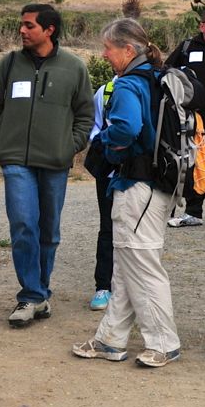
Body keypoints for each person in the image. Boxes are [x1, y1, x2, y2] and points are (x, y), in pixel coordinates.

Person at [71, 19, 183, 368]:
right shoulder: (156, 77)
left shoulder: (127, 85)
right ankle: (110, 340)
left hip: (136, 186)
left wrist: (103, 143)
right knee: (127, 265)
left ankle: (163, 342)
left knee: (141, 263)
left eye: (109, 47)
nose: (104, 54)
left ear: (128, 50)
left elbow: (125, 129)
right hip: (156, 184)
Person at [0, 4, 94, 329]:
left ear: (49, 30)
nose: (22, 31)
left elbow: (86, 114)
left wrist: (69, 147)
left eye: (29, 25)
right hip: (15, 160)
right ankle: (30, 295)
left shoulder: (74, 67)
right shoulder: (10, 64)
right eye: (21, 25)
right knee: (23, 224)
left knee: (49, 231)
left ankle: (40, 293)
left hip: (55, 162)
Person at [164, 6, 205, 227]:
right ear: (202, 26)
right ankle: (193, 211)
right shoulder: (187, 47)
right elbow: (167, 72)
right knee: (191, 163)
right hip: (191, 119)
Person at [83, 76, 116, 310]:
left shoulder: (151, 86)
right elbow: (94, 125)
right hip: (108, 171)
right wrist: (103, 141)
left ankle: (132, 289)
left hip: (140, 174)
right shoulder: (105, 91)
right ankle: (103, 286)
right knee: (108, 228)